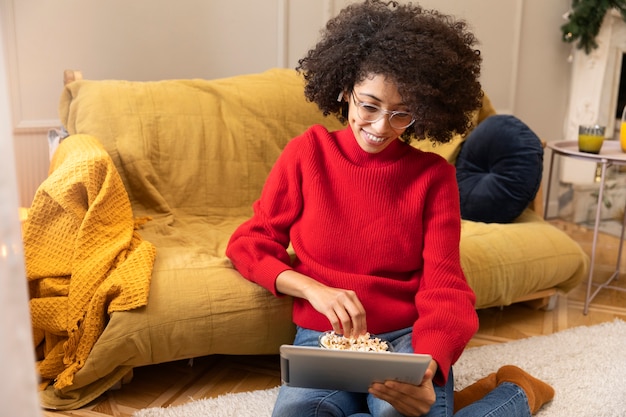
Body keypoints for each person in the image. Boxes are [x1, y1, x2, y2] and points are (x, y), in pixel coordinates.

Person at [226, 1, 554, 416]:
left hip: (408, 340)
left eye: (402, 114)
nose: (381, 127)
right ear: (345, 89)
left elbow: (445, 287)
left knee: (396, 412)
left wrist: (431, 369)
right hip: (324, 339)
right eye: (369, 105)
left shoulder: (432, 177)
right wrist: (312, 289)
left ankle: (516, 392)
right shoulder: (307, 153)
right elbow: (250, 242)